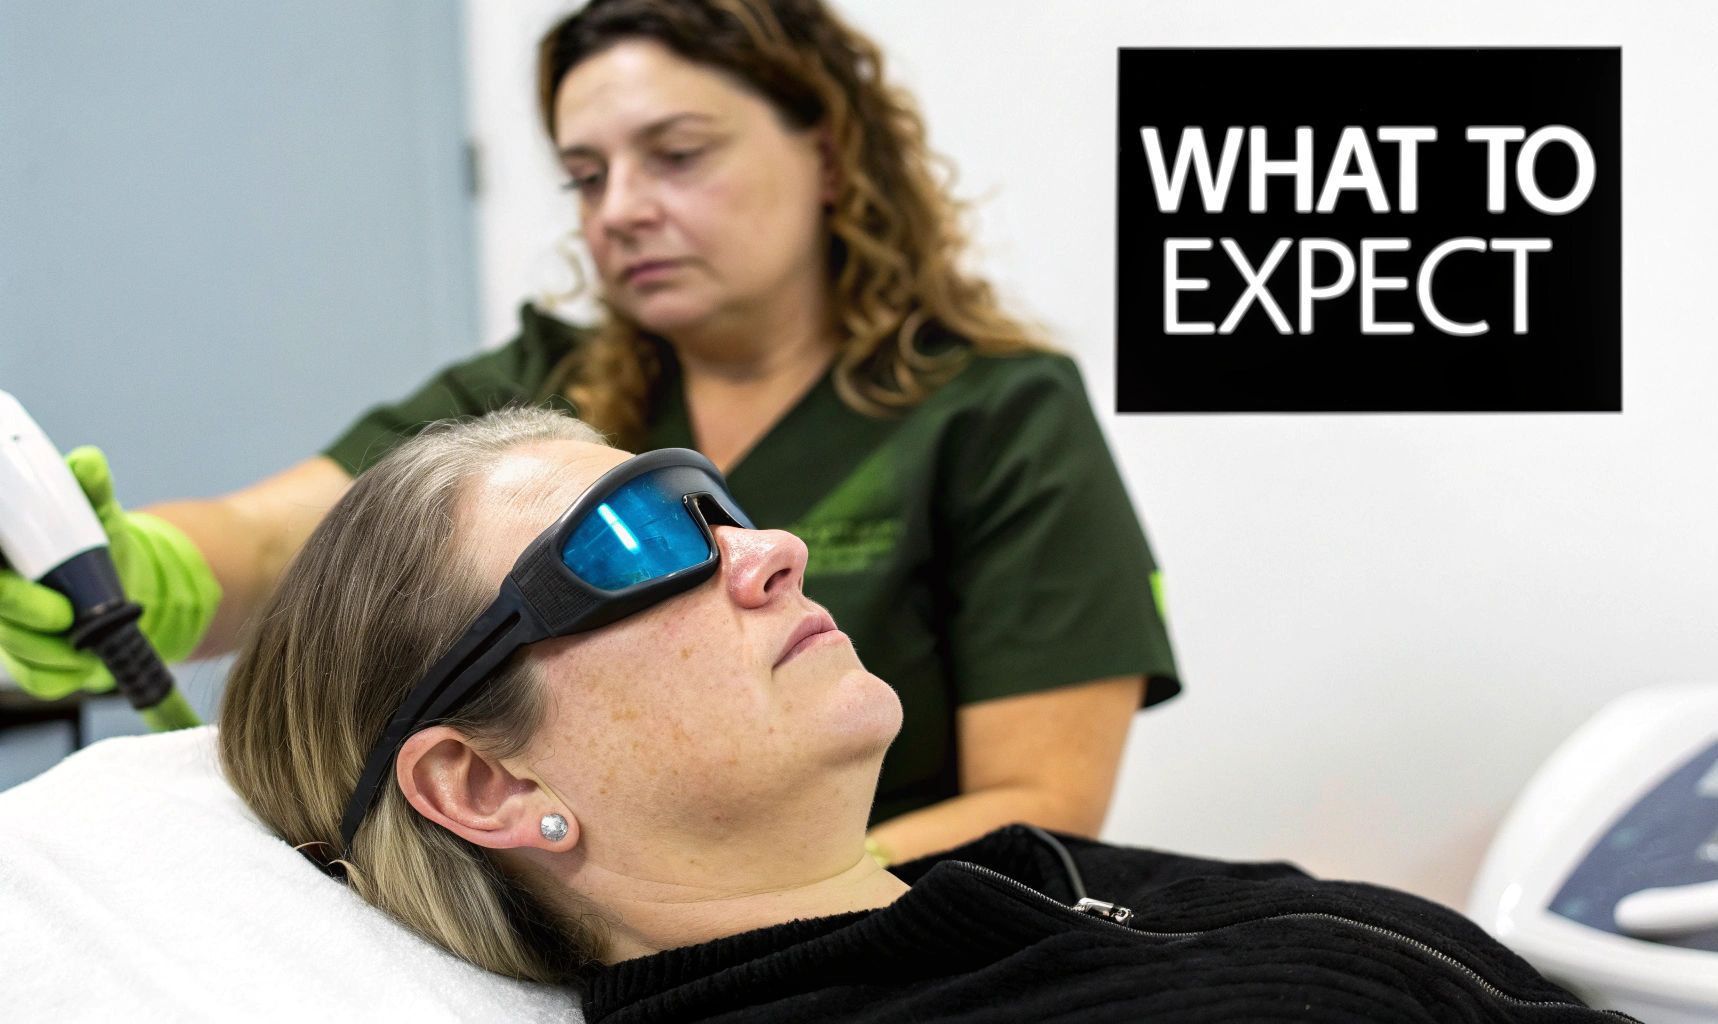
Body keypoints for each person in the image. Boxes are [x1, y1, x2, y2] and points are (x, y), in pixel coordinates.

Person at [0, 0, 1176, 864]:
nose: (620, 209)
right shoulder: (543, 394)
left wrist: (760, 907)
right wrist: (139, 572)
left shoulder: (994, 412)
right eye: (584, 174)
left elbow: (1042, 797)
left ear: (825, 151)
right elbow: (276, 544)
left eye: (676, 155)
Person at [217, 409, 1617, 1023]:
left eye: (717, 505)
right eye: (633, 543)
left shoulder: (1010, 896)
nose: (768, 553)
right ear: (480, 783)